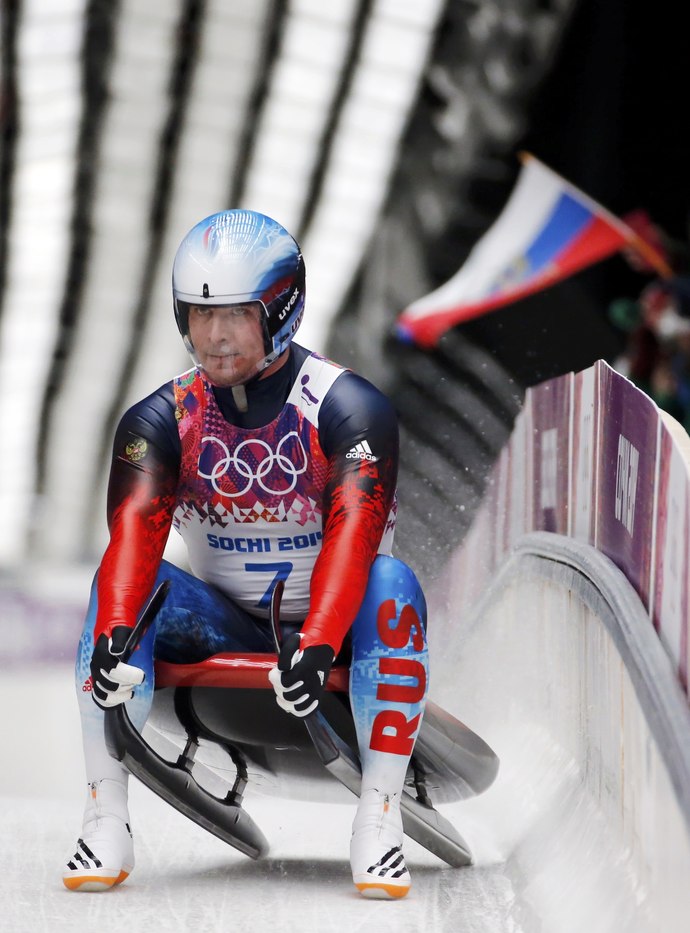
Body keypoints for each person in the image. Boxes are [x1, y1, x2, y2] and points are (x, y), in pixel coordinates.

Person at [63, 209, 429, 899]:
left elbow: (355, 534)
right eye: (200, 314)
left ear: (280, 311)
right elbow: (134, 535)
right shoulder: (161, 419)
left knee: (393, 579)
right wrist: (113, 638)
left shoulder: (350, 409)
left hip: (341, 633)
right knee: (116, 590)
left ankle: (378, 818)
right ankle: (104, 816)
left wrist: (318, 643)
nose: (215, 335)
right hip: (230, 627)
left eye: (234, 313)